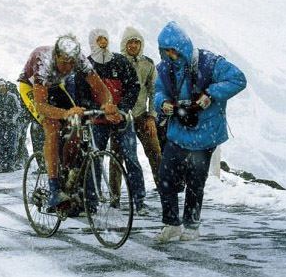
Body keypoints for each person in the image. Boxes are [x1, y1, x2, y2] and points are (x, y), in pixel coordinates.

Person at [154, 21, 246, 242]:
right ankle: (171, 223)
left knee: (196, 181)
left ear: (182, 47)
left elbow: (238, 79)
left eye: (173, 50)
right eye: (166, 51)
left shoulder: (209, 63)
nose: (170, 55)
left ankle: (191, 226)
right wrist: (163, 103)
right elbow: (158, 91)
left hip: (205, 133)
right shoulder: (164, 69)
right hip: (178, 130)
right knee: (165, 176)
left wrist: (210, 94)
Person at [18, 34, 118, 208]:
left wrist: (108, 105)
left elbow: (99, 87)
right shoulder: (43, 62)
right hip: (31, 87)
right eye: (64, 62)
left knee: (77, 124)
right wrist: (65, 113)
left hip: (56, 86)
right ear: (56, 55)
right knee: (53, 126)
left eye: (72, 63)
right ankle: (54, 187)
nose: (68, 67)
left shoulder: (79, 59)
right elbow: (41, 106)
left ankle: (66, 170)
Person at [74, 28, 148, 215]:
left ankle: (138, 201)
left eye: (105, 39)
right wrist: (99, 110)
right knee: (94, 159)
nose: (103, 43)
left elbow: (134, 86)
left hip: (121, 119)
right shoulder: (85, 66)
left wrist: (121, 109)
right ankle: (91, 202)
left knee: (131, 158)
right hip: (97, 120)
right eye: (99, 40)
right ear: (92, 42)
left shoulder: (120, 62)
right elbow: (81, 95)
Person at [119, 26, 162, 188]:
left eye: (137, 42)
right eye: (130, 42)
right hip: (122, 116)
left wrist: (152, 116)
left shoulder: (148, 64)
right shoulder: (117, 62)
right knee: (118, 156)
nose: (134, 46)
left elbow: (154, 91)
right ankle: (115, 196)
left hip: (142, 115)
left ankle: (163, 188)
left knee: (155, 152)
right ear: (124, 44)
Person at [0, 79, 21, 173]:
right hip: (0, 124)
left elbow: (18, 109)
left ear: (6, 86)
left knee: (11, 144)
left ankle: (10, 164)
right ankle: (3, 164)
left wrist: (13, 119)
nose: (1, 87)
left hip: (11, 124)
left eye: (3, 86)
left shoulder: (12, 96)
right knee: (1, 144)